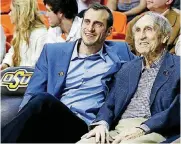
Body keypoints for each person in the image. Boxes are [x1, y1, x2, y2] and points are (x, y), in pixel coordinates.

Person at [1, 3, 135, 143]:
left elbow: (149, 64)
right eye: (87, 22)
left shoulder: (120, 52)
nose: (90, 29)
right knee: (39, 104)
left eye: (98, 24)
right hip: (52, 118)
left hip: (84, 127)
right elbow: (32, 93)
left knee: (43, 100)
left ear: (109, 31)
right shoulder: (53, 52)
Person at [78, 11, 180, 144]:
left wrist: (143, 128)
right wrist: (101, 124)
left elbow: (177, 109)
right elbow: (110, 103)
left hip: (155, 130)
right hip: (118, 129)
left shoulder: (178, 66)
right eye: (137, 31)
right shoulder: (127, 68)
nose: (141, 36)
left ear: (165, 37)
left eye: (148, 30)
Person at [0, 0, 47, 70]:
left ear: (20, 13)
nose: (9, 14)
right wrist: (5, 64)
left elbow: (38, 65)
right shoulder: (19, 31)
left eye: (12, 10)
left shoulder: (41, 34)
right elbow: (12, 53)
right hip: (17, 76)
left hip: (29, 77)